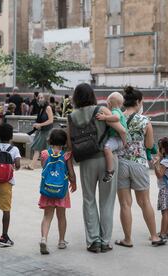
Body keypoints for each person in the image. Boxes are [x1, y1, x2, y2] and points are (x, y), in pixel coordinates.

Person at [67, 83, 116, 253]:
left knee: (88, 199)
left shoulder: (72, 116)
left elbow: (69, 144)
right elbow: (119, 128)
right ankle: (105, 241)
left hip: (86, 161)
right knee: (107, 201)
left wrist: (70, 170)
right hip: (106, 158)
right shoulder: (101, 110)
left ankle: (93, 241)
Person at [115, 86, 166, 248]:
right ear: (138, 102)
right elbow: (149, 144)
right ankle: (154, 236)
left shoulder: (117, 118)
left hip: (121, 162)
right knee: (144, 202)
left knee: (125, 204)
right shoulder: (145, 121)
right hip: (139, 163)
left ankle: (127, 239)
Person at [38, 129, 77, 255]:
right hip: (62, 191)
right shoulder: (66, 156)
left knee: (47, 216)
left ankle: (44, 238)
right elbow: (71, 173)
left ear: (50, 140)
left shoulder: (44, 154)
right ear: (64, 142)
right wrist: (74, 182)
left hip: (47, 190)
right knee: (61, 216)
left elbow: (45, 168)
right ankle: (61, 241)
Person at [96, 92, 127, 183]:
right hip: (119, 138)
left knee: (107, 148)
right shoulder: (119, 111)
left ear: (109, 103)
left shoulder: (115, 111)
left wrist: (105, 117)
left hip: (117, 138)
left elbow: (116, 118)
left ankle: (110, 171)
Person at [152, 137, 168, 240]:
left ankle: (163, 233)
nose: (158, 150)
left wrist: (156, 164)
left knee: (165, 212)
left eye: (159, 148)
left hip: (165, 189)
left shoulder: (165, 161)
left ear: (163, 149)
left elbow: (160, 175)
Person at [24, 93, 54, 170]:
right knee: (39, 149)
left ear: (45, 99)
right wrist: (37, 125)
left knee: (40, 149)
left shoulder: (48, 108)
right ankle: (33, 165)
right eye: (39, 98)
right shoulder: (41, 108)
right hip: (41, 131)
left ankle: (33, 165)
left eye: (41, 98)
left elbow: (51, 120)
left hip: (47, 131)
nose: (40, 99)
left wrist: (40, 124)